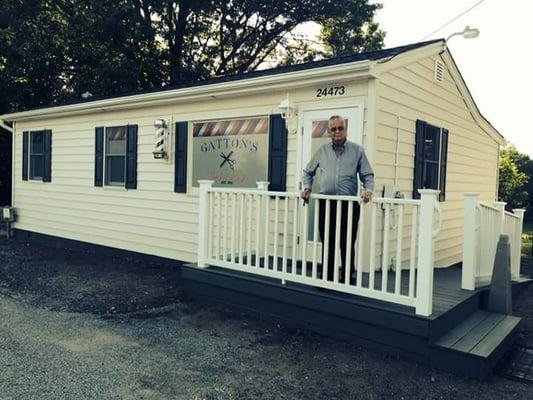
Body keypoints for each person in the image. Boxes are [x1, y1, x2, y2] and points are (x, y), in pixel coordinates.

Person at [301, 115, 374, 283]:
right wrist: (307, 187)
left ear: (345, 129)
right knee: (328, 241)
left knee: (347, 241)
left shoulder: (357, 151)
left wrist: (368, 190)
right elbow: (307, 172)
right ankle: (328, 275)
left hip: (348, 206)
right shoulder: (322, 151)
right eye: (333, 129)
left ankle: (348, 277)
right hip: (327, 205)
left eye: (340, 128)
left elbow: (367, 175)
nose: (337, 132)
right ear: (328, 132)